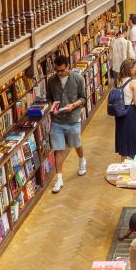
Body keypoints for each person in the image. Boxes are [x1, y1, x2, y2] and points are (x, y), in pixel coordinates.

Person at [45, 54, 88, 194]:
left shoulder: (78, 79)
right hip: (57, 120)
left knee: (76, 143)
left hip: (73, 118)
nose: (60, 73)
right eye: (57, 70)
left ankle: (82, 160)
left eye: (62, 70)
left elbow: (83, 98)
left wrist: (73, 105)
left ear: (68, 67)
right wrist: (52, 107)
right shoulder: (51, 81)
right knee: (58, 149)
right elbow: (49, 98)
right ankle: (59, 179)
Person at [113, 58, 136, 157]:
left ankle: (124, 167)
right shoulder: (134, 82)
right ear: (130, 69)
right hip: (131, 112)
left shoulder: (118, 80)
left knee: (124, 142)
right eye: (135, 67)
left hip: (120, 113)